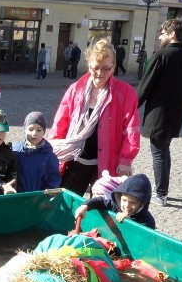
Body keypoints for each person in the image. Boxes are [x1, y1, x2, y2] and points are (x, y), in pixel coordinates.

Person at [48, 39, 140, 197]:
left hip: (108, 164)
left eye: (106, 69)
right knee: (66, 205)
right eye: (95, 68)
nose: (100, 74)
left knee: (102, 212)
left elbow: (131, 129)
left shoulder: (125, 93)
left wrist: (125, 159)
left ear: (114, 66)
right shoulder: (76, 89)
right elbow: (60, 124)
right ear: (88, 64)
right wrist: (51, 152)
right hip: (76, 160)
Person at [136, 18, 182, 206]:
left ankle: (161, 193)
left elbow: (145, 87)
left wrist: (130, 107)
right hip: (177, 112)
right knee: (164, 149)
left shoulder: (161, 56)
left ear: (173, 34)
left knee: (158, 151)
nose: (160, 36)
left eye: (163, 33)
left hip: (158, 113)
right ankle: (163, 191)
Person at [74, 173, 155, 229]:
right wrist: (85, 206)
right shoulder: (116, 206)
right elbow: (100, 201)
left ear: (142, 204)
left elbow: (146, 237)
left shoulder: (147, 220)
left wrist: (130, 221)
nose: (127, 205)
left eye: (132, 202)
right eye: (124, 200)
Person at [13, 111, 60, 193]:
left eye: (39, 130)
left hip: (37, 200)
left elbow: (53, 181)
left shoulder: (49, 157)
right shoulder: (15, 150)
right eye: (30, 129)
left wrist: (47, 199)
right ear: (24, 130)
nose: (34, 133)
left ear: (44, 132)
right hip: (16, 198)